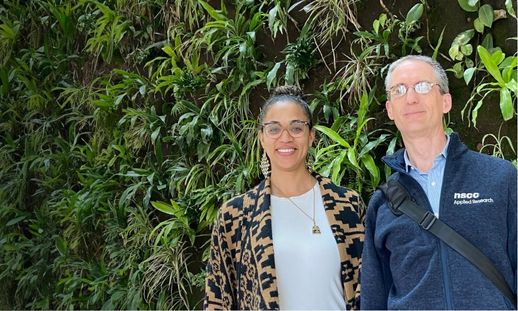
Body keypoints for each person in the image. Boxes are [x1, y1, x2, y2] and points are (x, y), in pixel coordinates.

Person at [361, 55, 517, 309]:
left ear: (446, 101)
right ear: (390, 110)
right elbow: (374, 295)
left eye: (422, 86)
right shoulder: (384, 203)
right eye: (399, 90)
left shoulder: (499, 177)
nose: (411, 98)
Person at [204, 85, 365, 310]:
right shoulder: (236, 216)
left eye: (296, 128)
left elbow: (368, 287)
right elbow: (218, 299)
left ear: (311, 136)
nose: (286, 137)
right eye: (274, 129)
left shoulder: (347, 204)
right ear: (262, 137)